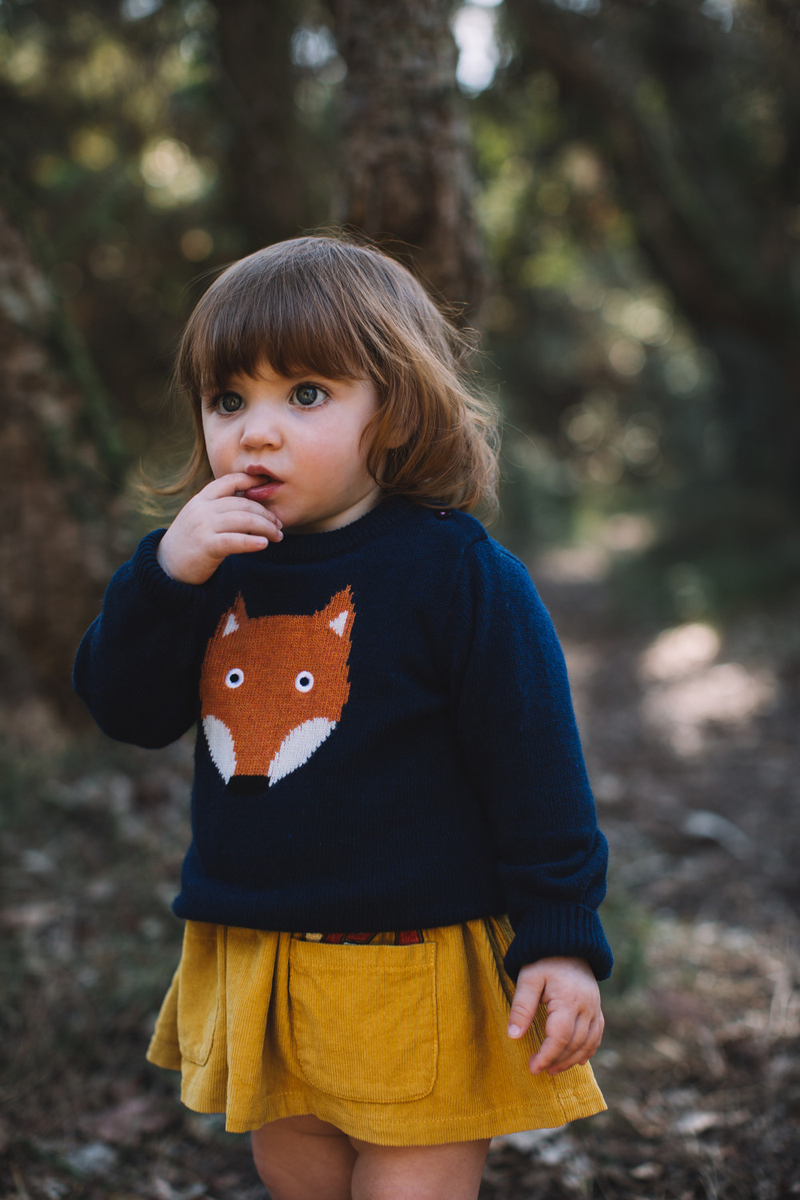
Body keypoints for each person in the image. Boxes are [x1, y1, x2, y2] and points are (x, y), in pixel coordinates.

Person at [74, 235, 612, 1200]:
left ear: (397, 413)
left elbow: (535, 769)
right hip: (262, 954)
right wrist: (162, 577)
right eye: (228, 400)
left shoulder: (459, 576)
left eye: (306, 395)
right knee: (297, 1173)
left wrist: (562, 936)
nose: (256, 431)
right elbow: (125, 708)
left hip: (414, 960)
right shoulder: (209, 563)